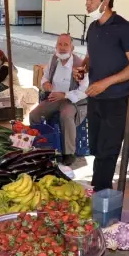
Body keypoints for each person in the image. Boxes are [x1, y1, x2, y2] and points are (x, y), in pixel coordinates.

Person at [74, 0, 129, 191]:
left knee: (108, 150)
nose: (87, 4)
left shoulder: (124, 28)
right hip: (95, 98)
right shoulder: (92, 27)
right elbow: (92, 55)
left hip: (117, 99)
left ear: (106, 1)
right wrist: (83, 67)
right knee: (96, 147)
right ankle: (98, 188)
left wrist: (106, 83)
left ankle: (101, 194)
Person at [29, 33, 88, 166]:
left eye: (65, 45)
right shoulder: (54, 59)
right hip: (54, 98)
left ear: (72, 48)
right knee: (34, 115)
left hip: (72, 100)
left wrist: (65, 95)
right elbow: (45, 76)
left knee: (66, 116)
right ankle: (41, 146)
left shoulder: (79, 64)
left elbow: (84, 90)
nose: (62, 48)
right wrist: (46, 84)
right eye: (59, 44)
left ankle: (69, 153)